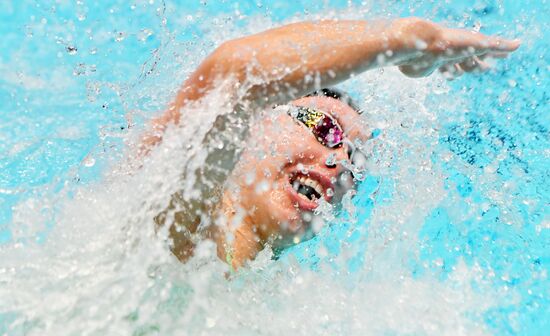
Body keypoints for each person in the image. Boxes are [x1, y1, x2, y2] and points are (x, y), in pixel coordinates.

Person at [142, 18, 519, 269]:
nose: (339, 162)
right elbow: (233, 73)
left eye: (355, 159)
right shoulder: (170, 207)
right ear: (254, 122)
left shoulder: (275, 299)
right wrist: (404, 41)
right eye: (325, 128)